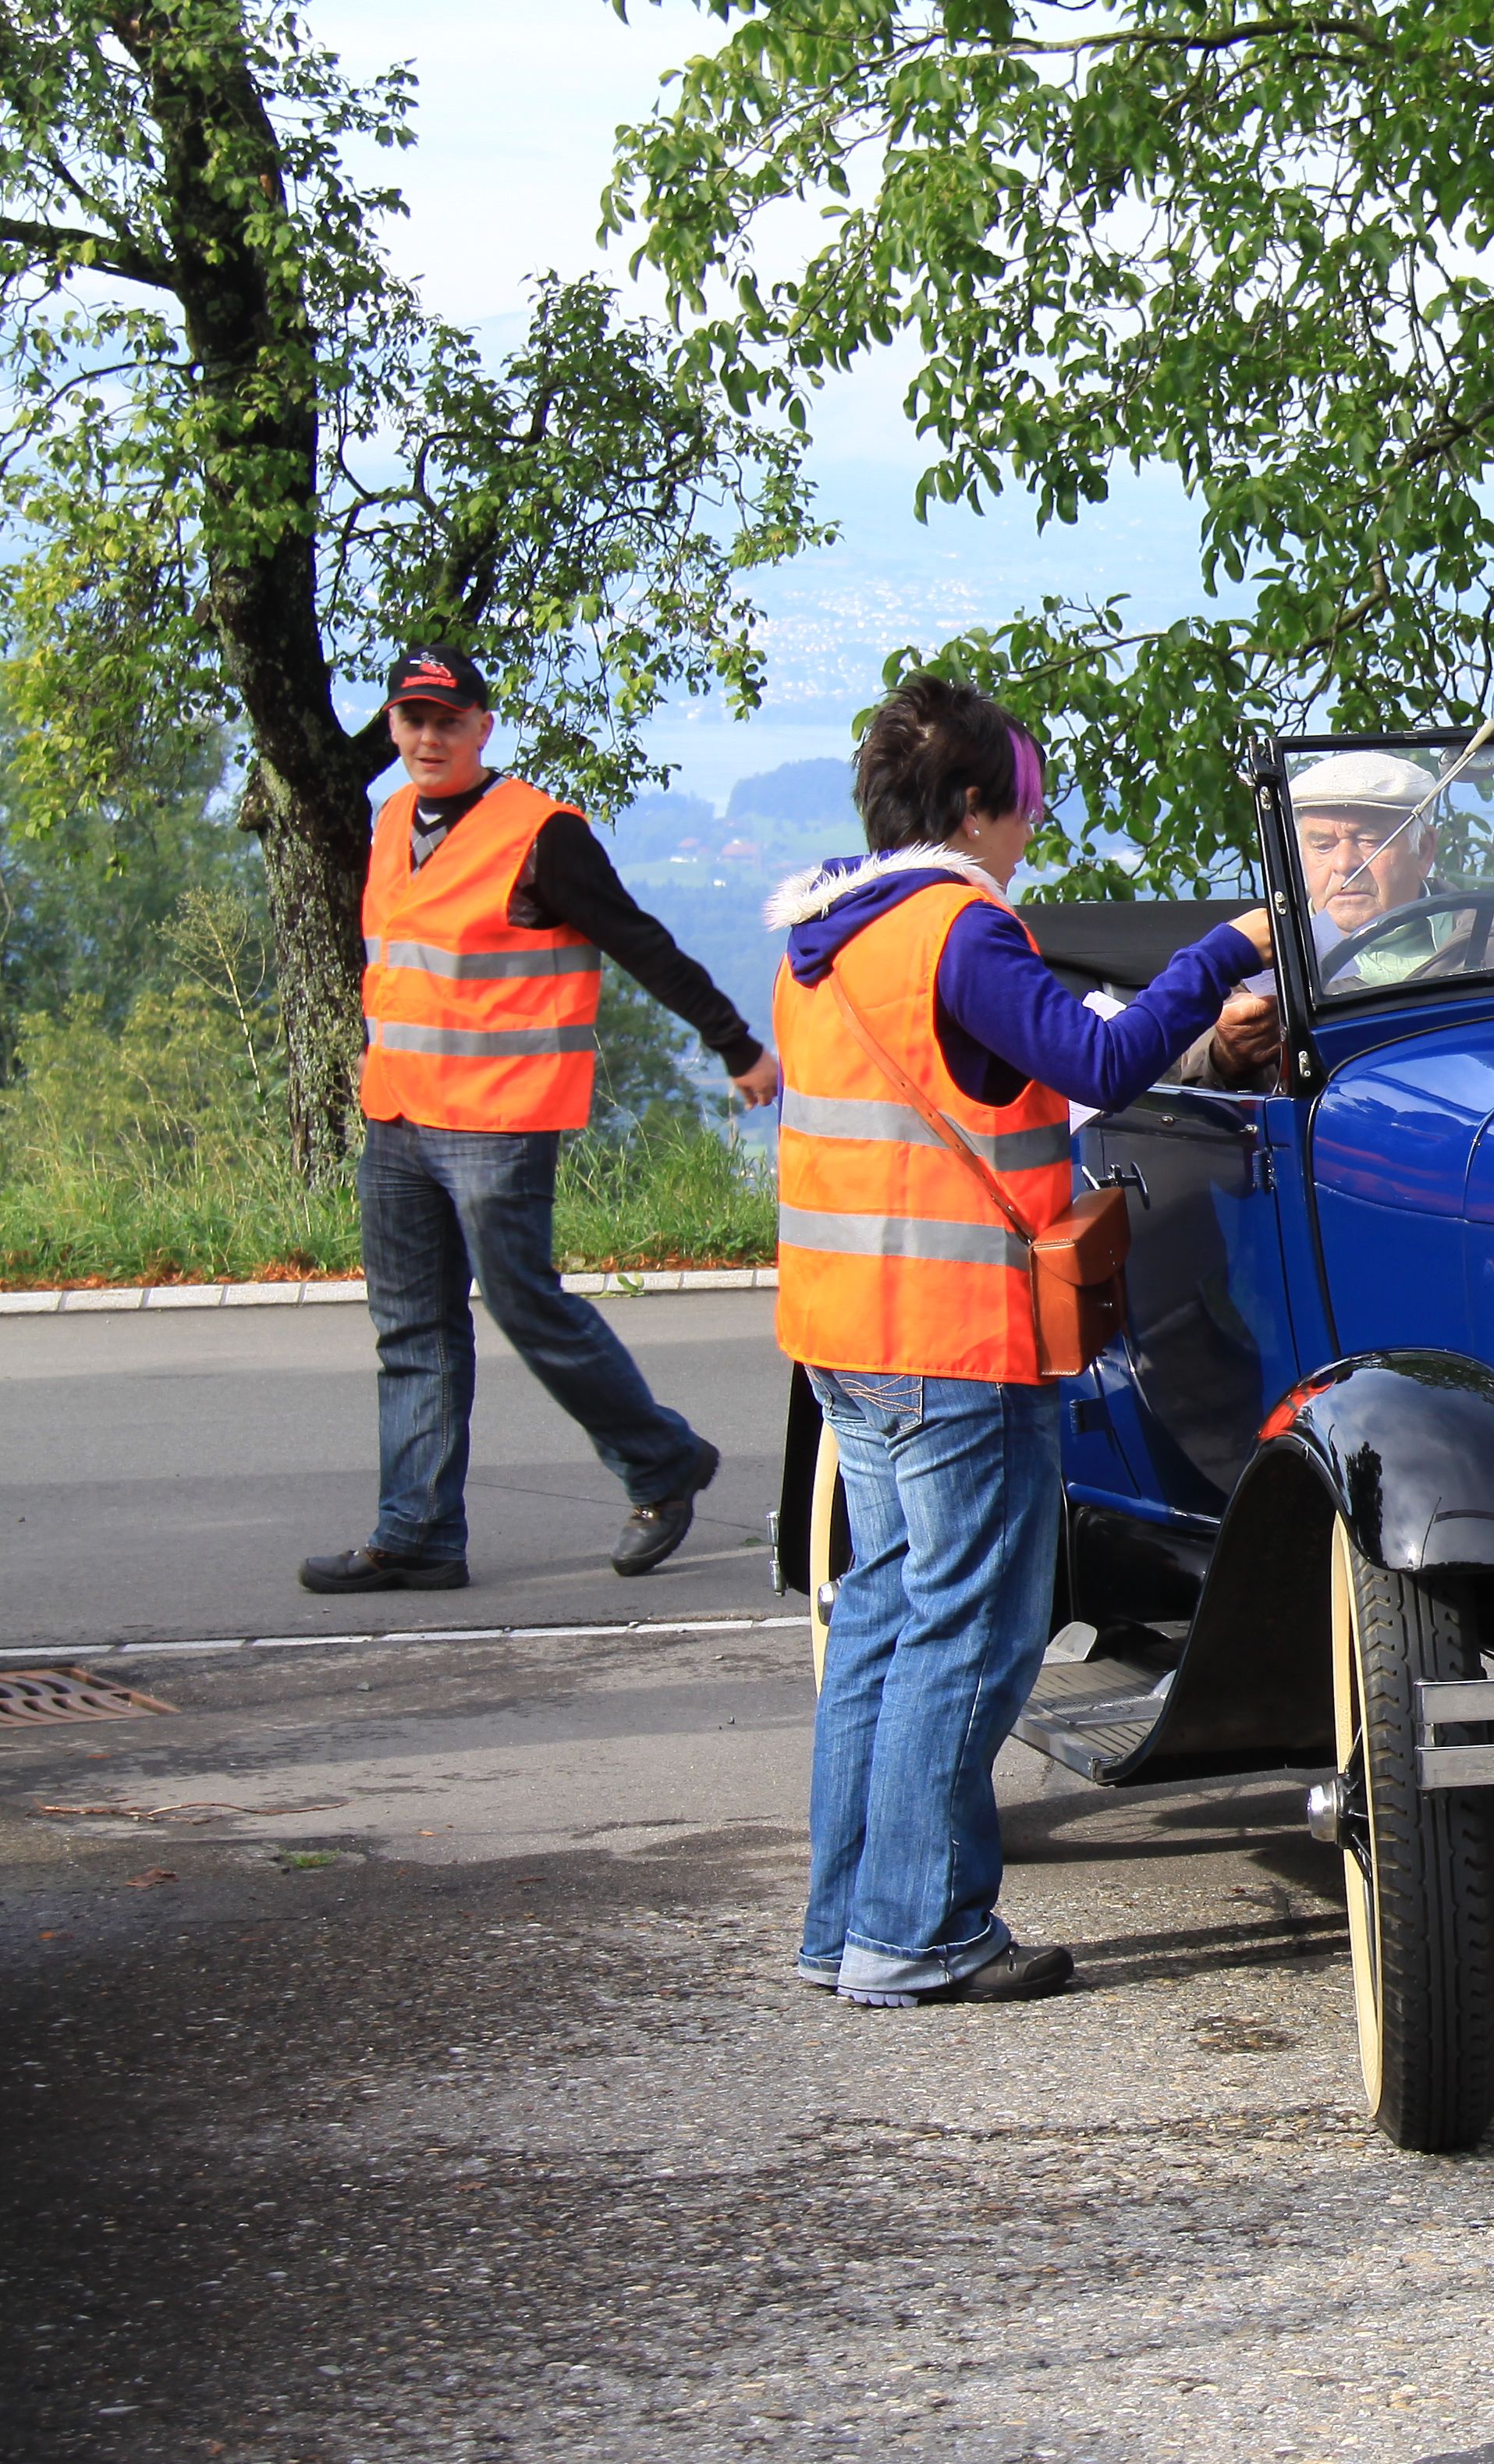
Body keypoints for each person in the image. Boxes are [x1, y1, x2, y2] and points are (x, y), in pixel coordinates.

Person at [770, 671, 1270, 2007]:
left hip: (844, 1330)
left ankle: (846, 1920)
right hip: (952, 1332)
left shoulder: (825, 934)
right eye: (1027, 805)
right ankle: (921, 1932)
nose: (1031, 833)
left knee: (881, 1615)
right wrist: (1224, 951)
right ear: (977, 807)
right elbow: (1098, 1066)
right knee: (973, 1630)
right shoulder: (958, 933)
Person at [301, 648, 783, 1598]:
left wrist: (734, 1043)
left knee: (526, 1304)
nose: (428, 738)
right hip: (397, 1118)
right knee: (411, 1329)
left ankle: (660, 1462)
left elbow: (638, 940)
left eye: (448, 721)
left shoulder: (541, 835)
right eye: (413, 720)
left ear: (483, 727)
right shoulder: (392, 817)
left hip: (496, 1123)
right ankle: (419, 1534)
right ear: (393, 727)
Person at [1173, 749, 1439, 1085]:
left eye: (1370, 839)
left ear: (1425, 850)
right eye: (1321, 844)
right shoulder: (1253, 961)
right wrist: (1225, 1055)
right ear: (1300, 855)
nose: (1344, 864)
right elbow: (1171, 1099)